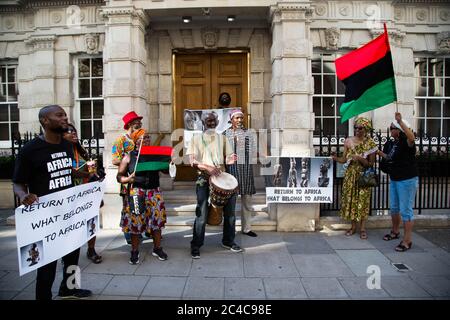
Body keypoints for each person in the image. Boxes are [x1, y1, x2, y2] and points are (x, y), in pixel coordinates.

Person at [12, 104, 92, 300]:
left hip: (69, 213)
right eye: (59, 115)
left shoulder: (65, 145)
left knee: (73, 256)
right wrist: (23, 196)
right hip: (46, 218)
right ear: (45, 121)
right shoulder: (30, 150)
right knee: (47, 265)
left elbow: (66, 169)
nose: (65, 118)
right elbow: (18, 183)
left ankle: (69, 289)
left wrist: (86, 174)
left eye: (65, 114)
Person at [186, 111, 241, 259]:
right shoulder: (196, 139)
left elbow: (228, 157)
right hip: (203, 179)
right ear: (203, 122)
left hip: (222, 177)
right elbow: (192, 161)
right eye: (208, 120)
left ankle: (228, 241)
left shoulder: (222, 139)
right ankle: (196, 245)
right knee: (202, 214)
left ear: (217, 123)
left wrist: (231, 159)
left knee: (230, 214)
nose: (211, 123)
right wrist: (208, 167)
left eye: (213, 121)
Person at [117, 129, 168, 264]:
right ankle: (134, 251)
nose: (146, 141)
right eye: (143, 138)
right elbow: (119, 177)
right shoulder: (128, 156)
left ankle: (157, 248)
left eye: (148, 138)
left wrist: (170, 164)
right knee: (136, 222)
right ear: (136, 141)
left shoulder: (155, 155)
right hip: (136, 192)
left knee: (157, 222)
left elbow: (165, 170)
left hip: (154, 191)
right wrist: (128, 179)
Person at [377, 112, 418, 252]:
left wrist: (400, 122)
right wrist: (376, 151)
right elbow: (389, 158)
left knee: (406, 210)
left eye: (392, 128)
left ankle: (407, 241)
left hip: (406, 180)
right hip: (395, 178)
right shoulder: (393, 144)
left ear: (399, 130)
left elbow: (412, 138)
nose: (390, 130)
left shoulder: (407, 142)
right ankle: (395, 232)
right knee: (394, 207)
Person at [331, 117, 376, 240]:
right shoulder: (348, 141)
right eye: (355, 127)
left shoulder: (370, 143)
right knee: (351, 200)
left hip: (363, 176)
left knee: (362, 201)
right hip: (350, 176)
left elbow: (371, 164)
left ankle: (362, 228)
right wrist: (336, 158)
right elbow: (344, 159)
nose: (357, 130)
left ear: (366, 129)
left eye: (360, 128)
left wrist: (360, 159)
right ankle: (352, 227)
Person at [63, 123, 102, 264]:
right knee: (72, 226)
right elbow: (69, 172)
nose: (74, 133)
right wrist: (87, 173)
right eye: (69, 131)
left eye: (74, 131)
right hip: (70, 195)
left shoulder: (80, 150)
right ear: (62, 135)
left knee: (91, 221)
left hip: (86, 191)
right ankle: (68, 254)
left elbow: (88, 172)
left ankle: (91, 250)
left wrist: (94, 173)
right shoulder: (61, 151)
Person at [112, 111, 145, 245]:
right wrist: (128, 162)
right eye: (137, 122)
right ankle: (128, 234)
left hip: (141, 179)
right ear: (130, 124)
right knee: (128, 207)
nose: (140, 124)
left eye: (140, 122)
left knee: (140, 206)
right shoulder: (121, 140)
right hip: (127, 180)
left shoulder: (140, 138)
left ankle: (138, 231)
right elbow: (115, 160)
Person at [224, 109, 258, 237]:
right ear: (231, 119)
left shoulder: (249, 133)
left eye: (241, 118)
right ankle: (229, 229)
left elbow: (254, 151)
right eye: (236, 118)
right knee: (230, 204)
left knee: (247, 203)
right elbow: (221, 152)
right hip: (231, 172)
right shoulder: (224, 134)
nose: (239, 120)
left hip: (246, 172)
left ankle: (247, 228)